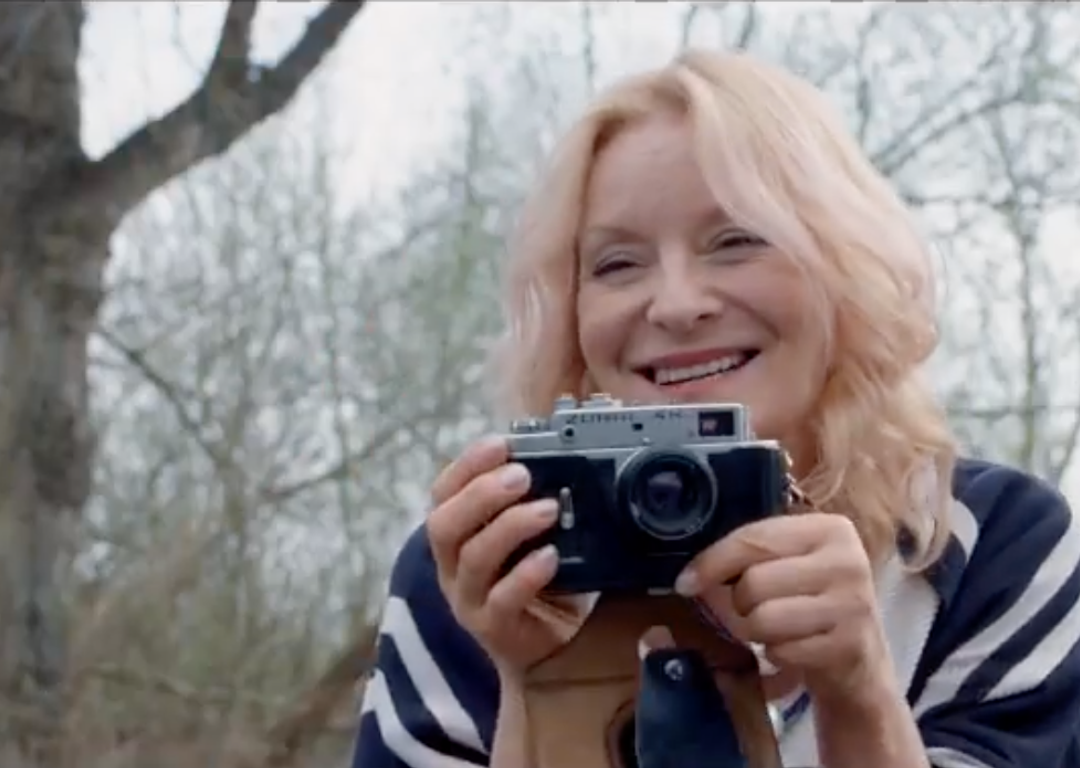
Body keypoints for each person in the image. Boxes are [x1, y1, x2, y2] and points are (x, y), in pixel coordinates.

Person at [350, 50, 1080, 768]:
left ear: (846, 271)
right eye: (616, 264)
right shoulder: (487, 563)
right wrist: (533, 683)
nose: (675, 305)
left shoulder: (997, 549)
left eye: (735, 242)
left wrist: (858, 691)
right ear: (572, 313)